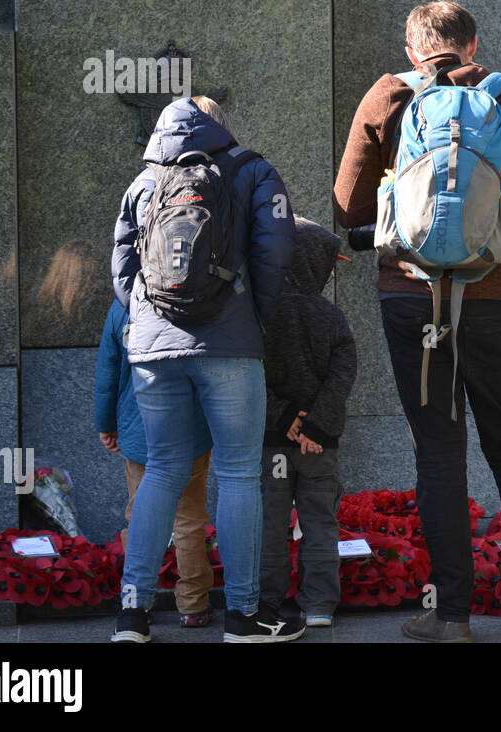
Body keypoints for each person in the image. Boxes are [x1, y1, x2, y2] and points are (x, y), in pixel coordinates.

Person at [333, 0, 501, 641]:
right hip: (494, 297)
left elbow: (346, 208)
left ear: (414, 50)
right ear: (473, 45)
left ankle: (451, 617)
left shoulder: (388, 96)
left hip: (410, 299)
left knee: (438, 451)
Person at [110, 95, 298, 643]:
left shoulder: (142, 183)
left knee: (164, 470)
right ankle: (243, 616)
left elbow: (122, 269)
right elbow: (277, 249)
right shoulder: (253, 170)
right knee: (238, 473)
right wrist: (251, 315)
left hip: (151, 350)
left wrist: (150, 317)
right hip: (229, 346)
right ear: (221, 127)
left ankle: (132, 614)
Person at [259, 215, 357, 628]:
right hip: (319, 446)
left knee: (270, 523)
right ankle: (318, 606)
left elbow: (249, 376)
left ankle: (266, 602)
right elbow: (343, 374)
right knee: (319, 523)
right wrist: (315, 427)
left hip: (271, 442)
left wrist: (285, 419)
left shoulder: (258, 316)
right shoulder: (331, 316)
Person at [95, 298, 215, 627]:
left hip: (139, 431)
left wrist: (107, 423)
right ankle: (193, 605)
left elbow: (108, 369)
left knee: (139, 516)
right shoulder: (200, 294)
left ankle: (138, 602)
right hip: (192, 431)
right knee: (189, 519)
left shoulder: (122, 305)